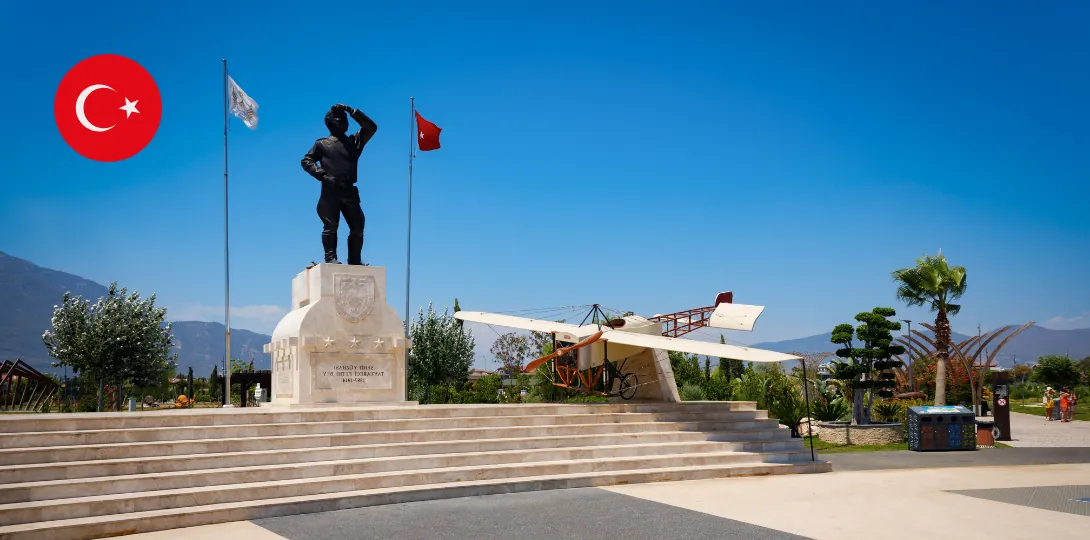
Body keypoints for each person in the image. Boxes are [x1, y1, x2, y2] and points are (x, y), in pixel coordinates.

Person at [300, 104, 378, 265]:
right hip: (330, 190)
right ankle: (331, 258)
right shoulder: (322, 144)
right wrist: (323, 175)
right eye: (339, 118)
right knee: (331, 226)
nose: (344, 121)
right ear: (330, 122)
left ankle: (354, 260)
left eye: (345, 118)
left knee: (358, 226)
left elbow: (371, 127)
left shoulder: (354, 142)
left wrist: (352, 111)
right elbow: (306, 161)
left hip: (349, 190)